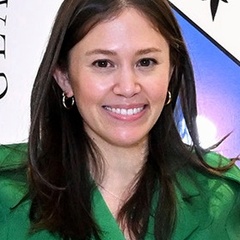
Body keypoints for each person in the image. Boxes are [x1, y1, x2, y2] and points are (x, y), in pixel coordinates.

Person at [0, 0, 240, 239]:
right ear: (64, 77)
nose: (127, 87)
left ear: (171, 71)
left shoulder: (220, 197)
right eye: (103, 63)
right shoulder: (6, 195)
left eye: (146, 62)